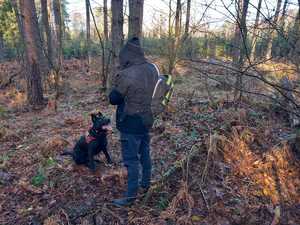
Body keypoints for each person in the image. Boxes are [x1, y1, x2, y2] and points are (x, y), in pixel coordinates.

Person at [109, 37, 158, 206]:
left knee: (131, 160)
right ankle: (146, 183)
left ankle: (130, 197)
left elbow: (113, 99)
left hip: (130, 123)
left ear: (128, 55)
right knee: (145, 153)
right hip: (147, 120)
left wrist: (115, 82)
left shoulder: (126, 74)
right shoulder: (153, 68)